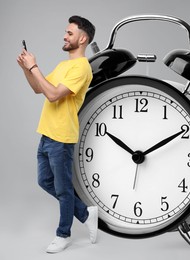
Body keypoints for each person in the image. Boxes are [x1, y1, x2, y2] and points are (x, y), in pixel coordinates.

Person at [17, 15, 98, 254]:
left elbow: (53, 95)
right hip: (47, 134)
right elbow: (38, 88)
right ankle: (85, 212)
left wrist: (34, 67)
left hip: (62, 138)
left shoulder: (82, 68)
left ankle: (63, 234)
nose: (64, 36)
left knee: (63, 190)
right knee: (44, 181)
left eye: (69, 33)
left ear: (82, 39)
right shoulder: (64, 65)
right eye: (66, 32)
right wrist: (26, 69)